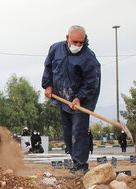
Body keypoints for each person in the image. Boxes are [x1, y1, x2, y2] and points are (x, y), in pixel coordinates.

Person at [42, 25, 101, 175]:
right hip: (63, 98)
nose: (78, 46)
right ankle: (75, 162)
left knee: (78, 131)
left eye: (81, 42)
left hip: (80, 100)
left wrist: (80, 97)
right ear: (67, 38)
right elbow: (48, 68)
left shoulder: (88, 57)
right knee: (67, 133)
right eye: (75, 42)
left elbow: (91, 82)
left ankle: (81, 165)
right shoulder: (56, 49)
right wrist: (48, 85)